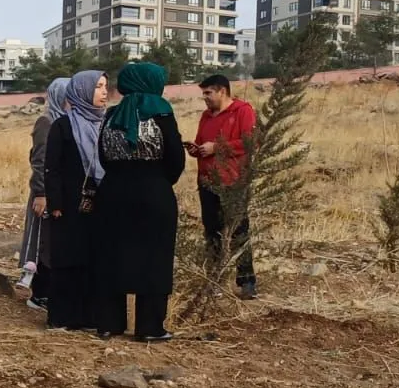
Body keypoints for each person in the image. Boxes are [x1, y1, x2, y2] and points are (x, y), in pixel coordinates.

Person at [91, 62, 185, 342]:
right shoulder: (162, 112)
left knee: (111, 256)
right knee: (154, 259)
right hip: (153, 193)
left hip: (112, 192)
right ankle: (149, 327)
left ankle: (109, 323)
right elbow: (175, 160)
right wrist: (156, 180)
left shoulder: (111, 115)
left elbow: (103, 157)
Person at [42, 70, 107, 331]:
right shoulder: (63, 125)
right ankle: (62, 316)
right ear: (82, 90)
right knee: (68, 259)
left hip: (99, 204)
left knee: (93, 259)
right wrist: (55, 203)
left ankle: (89, 317)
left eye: (105, 86)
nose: (104, 92)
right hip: (68, 205)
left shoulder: (106, 123)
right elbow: (52, 167)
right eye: (99, 87)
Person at [190, 73, 258, 299]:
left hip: (233, 182)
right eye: (203, 94)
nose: (205, 98)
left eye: (208, 93)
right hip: (207, 183)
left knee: (239, 231)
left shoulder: (242, 111)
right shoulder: (205, 116)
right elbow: (203, 143)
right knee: (212, 232)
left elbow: (250, 142)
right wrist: (196, 149)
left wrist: (217, 148)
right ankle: (215, 280)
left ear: (222, 91)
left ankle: (247, 281)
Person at [18, 77, 69, 307]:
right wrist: (40, 193)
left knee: (52, 241)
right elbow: (39, 160)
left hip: (57, 191)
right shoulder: (46, 121)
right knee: (41, 241)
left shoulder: (66, 121)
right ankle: (39, 294)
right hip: (45, 193)